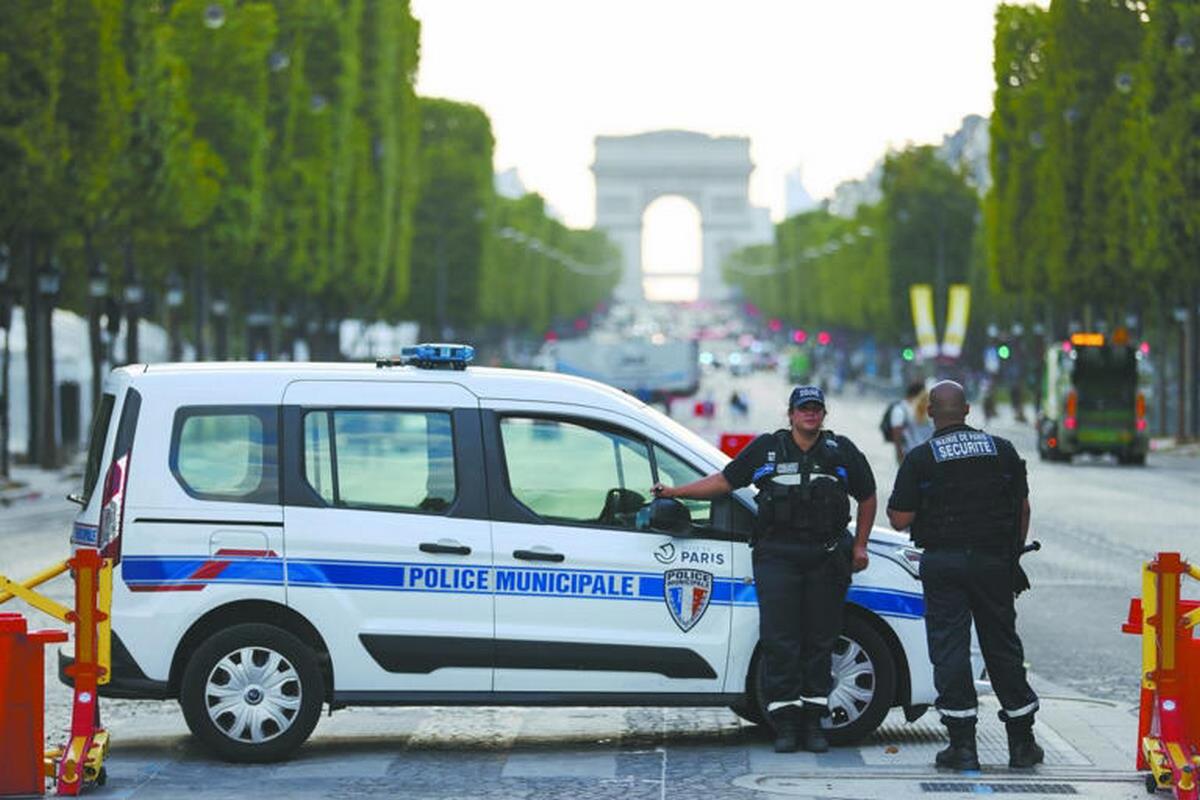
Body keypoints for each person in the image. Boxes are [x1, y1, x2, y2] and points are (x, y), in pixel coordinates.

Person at [652, 385, 877, 753]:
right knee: (781, 640)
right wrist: (677, 493)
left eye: (816, 409)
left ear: (824, 414)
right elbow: (725, 481)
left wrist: (861, 544)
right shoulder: (766, 450)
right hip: (777, 558)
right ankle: (785, 724)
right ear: (790, 414)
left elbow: (867, 497)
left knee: (820, 640)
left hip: (826, 557)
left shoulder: (842, 452)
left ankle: (813, 722)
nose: (810, 414)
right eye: (803, 409)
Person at [886, 380, 1042, 771]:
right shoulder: (1002, 451)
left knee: (950, 649)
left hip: (943, 564)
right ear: (968, 410)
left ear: (931, 413)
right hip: (993, 563)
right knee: (1002, 646)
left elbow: (900, 517)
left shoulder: (921, 458)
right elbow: (1022, 508)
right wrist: (1012, 555)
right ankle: (1022, 745)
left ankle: (962, 746)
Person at [889, 381, 933, 463]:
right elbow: (896, 432)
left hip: (921, 454)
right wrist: (899, 454)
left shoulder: (923, 408)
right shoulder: (901, 409)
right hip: (913, 454)